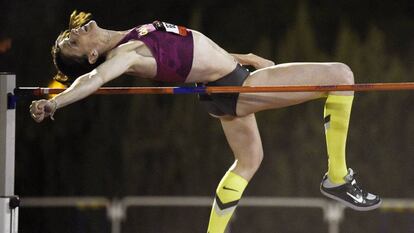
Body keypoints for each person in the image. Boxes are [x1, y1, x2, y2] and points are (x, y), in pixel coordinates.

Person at [30, 11, 381, 233]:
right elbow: (93, 80)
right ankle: (337, 178)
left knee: (248, 161)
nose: (76, 31)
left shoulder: (131, 38)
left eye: (70, 34)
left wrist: (241, 56)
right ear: (91, 54)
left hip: (226, 83)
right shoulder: (125, 54)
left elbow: (196, 53)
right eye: (74, 42)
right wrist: (55, 102)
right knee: (341, 75)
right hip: (236, 87)